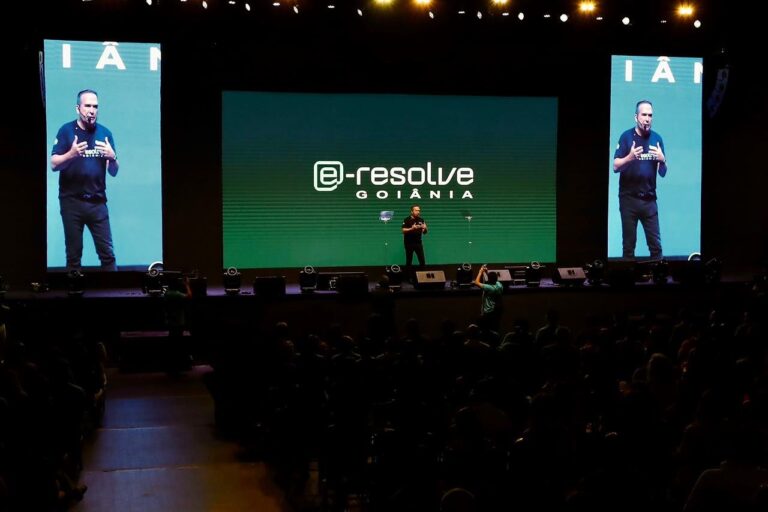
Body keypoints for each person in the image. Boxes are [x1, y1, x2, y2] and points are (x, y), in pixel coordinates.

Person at [51, 89, 119, 271]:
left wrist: (112, 157)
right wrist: (71, 154)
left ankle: (113, 288)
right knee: (73, 256)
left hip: (97, 203)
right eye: (87, 106)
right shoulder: (66, 131)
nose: (92, 111)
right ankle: (74, 288)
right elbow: (54, 165)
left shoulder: (105, 133)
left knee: (108, 255)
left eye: (95, 106)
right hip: (71, 202)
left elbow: (113, 172)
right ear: (78, 108)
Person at [613, 100, 667, 260]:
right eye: (644, 115)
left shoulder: (657, 139)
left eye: (650, 115)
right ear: (636, 117)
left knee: (656, 247)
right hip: (629, 199)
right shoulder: (626, 137)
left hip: (649, 200)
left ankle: (657, 274)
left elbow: (663, 173)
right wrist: (629, 158)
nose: (647, 119)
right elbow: (615, 167)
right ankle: (628, 275)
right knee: (628, 247)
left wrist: (662, 160)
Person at [473, 264, 503, 333]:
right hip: (496, 312)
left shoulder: (489, 288)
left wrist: (480, 272)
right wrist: (486, 272)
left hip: (488, 312)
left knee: (486, 329)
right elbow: (492, 279)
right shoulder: (499, 285)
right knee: (494, 328)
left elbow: (476, 282)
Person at [402, 205, 428, 281]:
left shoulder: (421, 219)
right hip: (409, 243)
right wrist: (412, 228)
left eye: (419, 210)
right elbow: (403, 230)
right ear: (412, 211)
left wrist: (425, 228)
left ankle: (423, 278)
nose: (418, 212)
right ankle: (408, 278)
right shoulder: (407, 219)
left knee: (422, 261)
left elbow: (425, 232)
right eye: (416, 210)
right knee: (409, 261)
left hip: (418, 243)